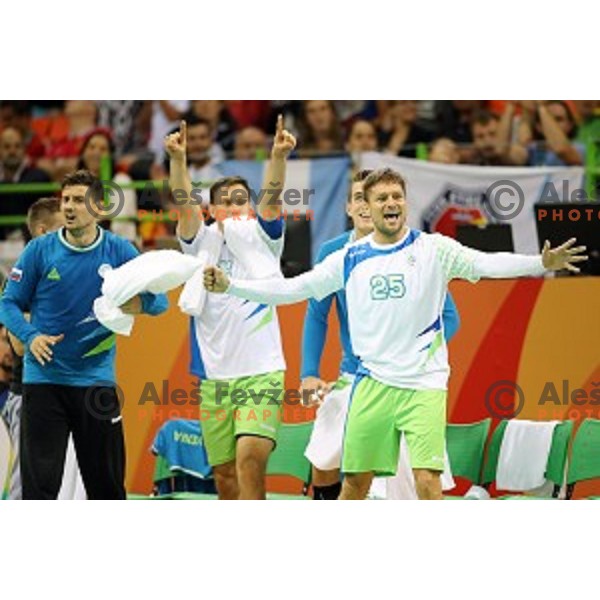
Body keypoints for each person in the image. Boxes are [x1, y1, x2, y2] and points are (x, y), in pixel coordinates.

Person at [204, 167, 588, 500]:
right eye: (382, 197)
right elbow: (293, 289)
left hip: (423, 385)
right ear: (365, 208)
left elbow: (486, 262)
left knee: (427, 481)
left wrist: (540, 262)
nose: (391, 203)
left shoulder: (434, 249)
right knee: (354, 482)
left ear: (404, 203)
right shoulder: (348, 258)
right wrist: (231, 287)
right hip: (371, 385)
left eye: (397, 196)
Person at [0, 170, 169, 499]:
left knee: (106, 489)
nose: (70, 207)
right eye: (66, 200)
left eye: (79, 200)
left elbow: (159, 302)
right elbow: (8, 303)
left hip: (96, 383)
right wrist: (31, 336)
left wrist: (133, 303)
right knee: (38, 490)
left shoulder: (119, 250)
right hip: (44, 382)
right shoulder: (40, 251)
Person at [300, 170, 460, 500]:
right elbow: (316, 316)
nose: (365, 205)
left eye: (374, 198)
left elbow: (450, 318)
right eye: (359, 198)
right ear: (350, 207)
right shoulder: (334, 254)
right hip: (353, 377)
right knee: (323, 452)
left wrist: (412, 355)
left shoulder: (418, 251)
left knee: (410, 484)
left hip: (407, 380)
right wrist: (309, 374)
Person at [165, 116, 296, 500]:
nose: (236, 207)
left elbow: (271, 198)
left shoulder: (264, 239)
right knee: (224, 476)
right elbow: (184, 204)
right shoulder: (199, 241)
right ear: (212, 210)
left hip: (262, 374)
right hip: (214, 377)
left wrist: (278, 156)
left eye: (242, 200)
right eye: (226, 201)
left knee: (250, 459)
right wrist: (177, 160)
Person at [1, 197, 86, 499]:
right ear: (41, 231)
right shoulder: (20, 280)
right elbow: (21, 348)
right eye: (63, 227)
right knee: (27, 485)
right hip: (29, 394)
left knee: (66, 488)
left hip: (70, 392)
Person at [76, 128, 138, 242]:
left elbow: (118, 225)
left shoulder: (122, 181)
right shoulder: (75, 185)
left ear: (110, 155)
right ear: (83, 153)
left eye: (103, 149)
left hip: (121, 245)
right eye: (91, 147)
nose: (96, 153)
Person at [0, 127, 51, 241]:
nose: (12, 151)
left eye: (17, 146)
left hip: (31, 244)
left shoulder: (40, 178)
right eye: (7, 146)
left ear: (24, 149)